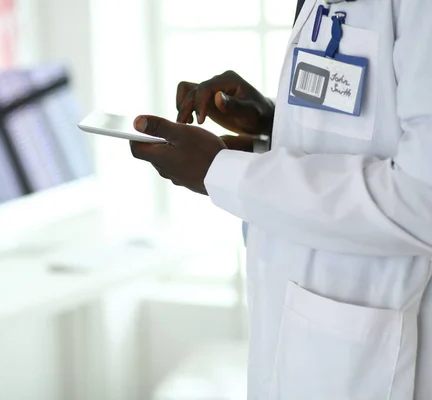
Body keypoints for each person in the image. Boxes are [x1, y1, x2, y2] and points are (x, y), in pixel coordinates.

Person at [129, 0, 432, 398]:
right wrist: (275, 126)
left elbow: (420, 199)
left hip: (378, 354)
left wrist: (221, 171)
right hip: (314, 342)